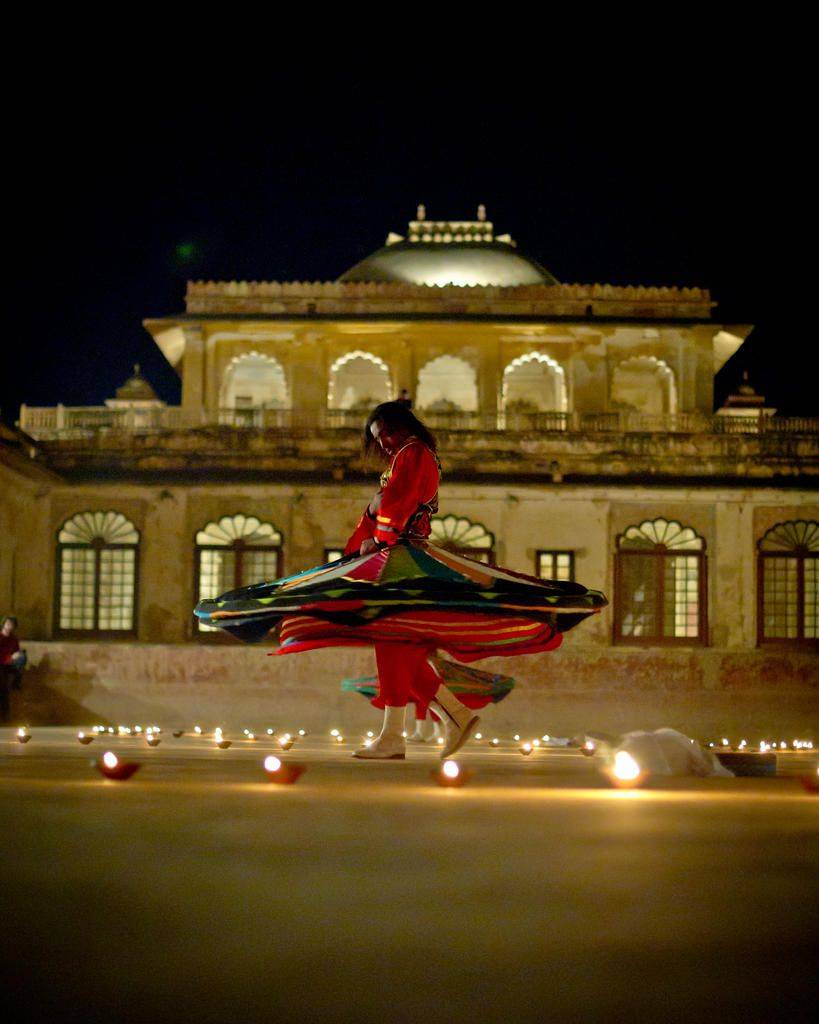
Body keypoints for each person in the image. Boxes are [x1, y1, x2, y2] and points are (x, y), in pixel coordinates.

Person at [195, 402, 607, 761]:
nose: (386, 441)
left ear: (405, 427)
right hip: (392, 552)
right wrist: (362, 541)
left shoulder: (414, 453)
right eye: (379, 438)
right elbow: (380, 508)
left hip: (402, 552)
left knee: (393, 635)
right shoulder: (403, 457)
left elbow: (399, 502)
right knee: (396, 638)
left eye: (389, 432)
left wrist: (377, 538)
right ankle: (442, 720)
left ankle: (407, 731)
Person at [0, 616, 24, 722]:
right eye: (8, 624)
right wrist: (9, 658)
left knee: (23, 657)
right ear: (3, 624)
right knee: (3, 685)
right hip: (1, 663)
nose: (10, 627)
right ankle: (4, 713)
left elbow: (17, 651)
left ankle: (16, 682)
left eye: (12, 625)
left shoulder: (14, 639)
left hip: (9, 664)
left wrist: (16, 656)